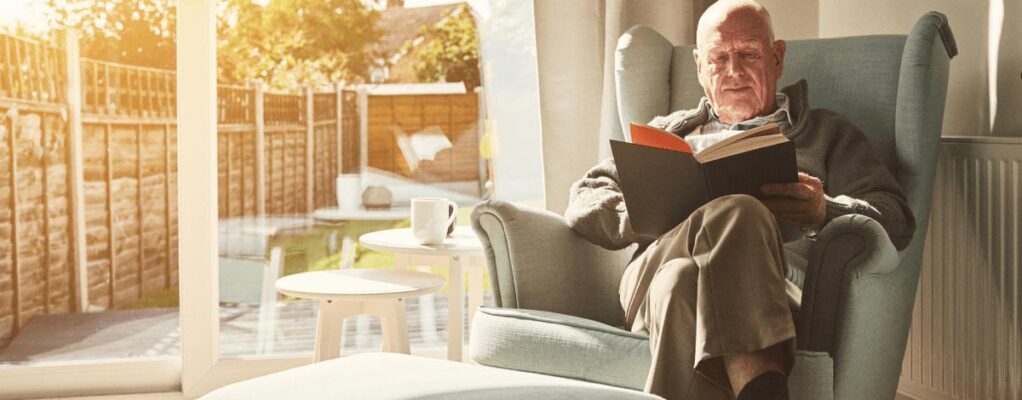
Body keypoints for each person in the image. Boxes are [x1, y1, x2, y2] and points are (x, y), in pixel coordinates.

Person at [563, 1, 916, 399]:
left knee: (681, 284)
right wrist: (641, 210)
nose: (734, 71)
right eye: (718, 58)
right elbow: (583, 198)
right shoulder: (667, 134)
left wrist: (824, 210)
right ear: (699, 66)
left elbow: (896, 218)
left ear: (777, 57)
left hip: (768, 290)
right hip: (649, 276)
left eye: (749, 53)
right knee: (739, 212)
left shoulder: (827, 134)